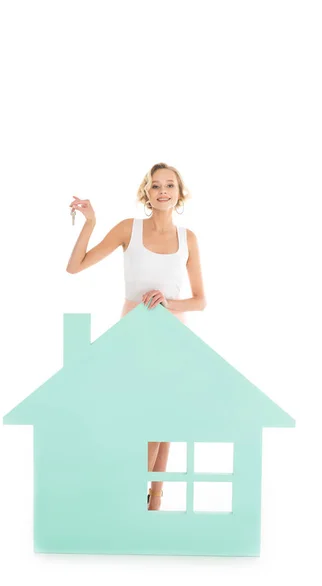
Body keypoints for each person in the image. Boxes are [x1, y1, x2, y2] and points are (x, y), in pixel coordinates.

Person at [66, 162, 207, 510]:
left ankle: (154, 499)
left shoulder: (188, 238)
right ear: (146, 192)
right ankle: (129, 490)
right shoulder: (129, 229)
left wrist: (168, 301)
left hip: (174, 336)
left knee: (165, 418)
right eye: (156, 185)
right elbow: (75, 266)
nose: (163, 191)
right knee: (140, 414)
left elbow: (200, 300)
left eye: (169, 185)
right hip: (133, 335)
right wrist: (90, 223)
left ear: (179, 192)